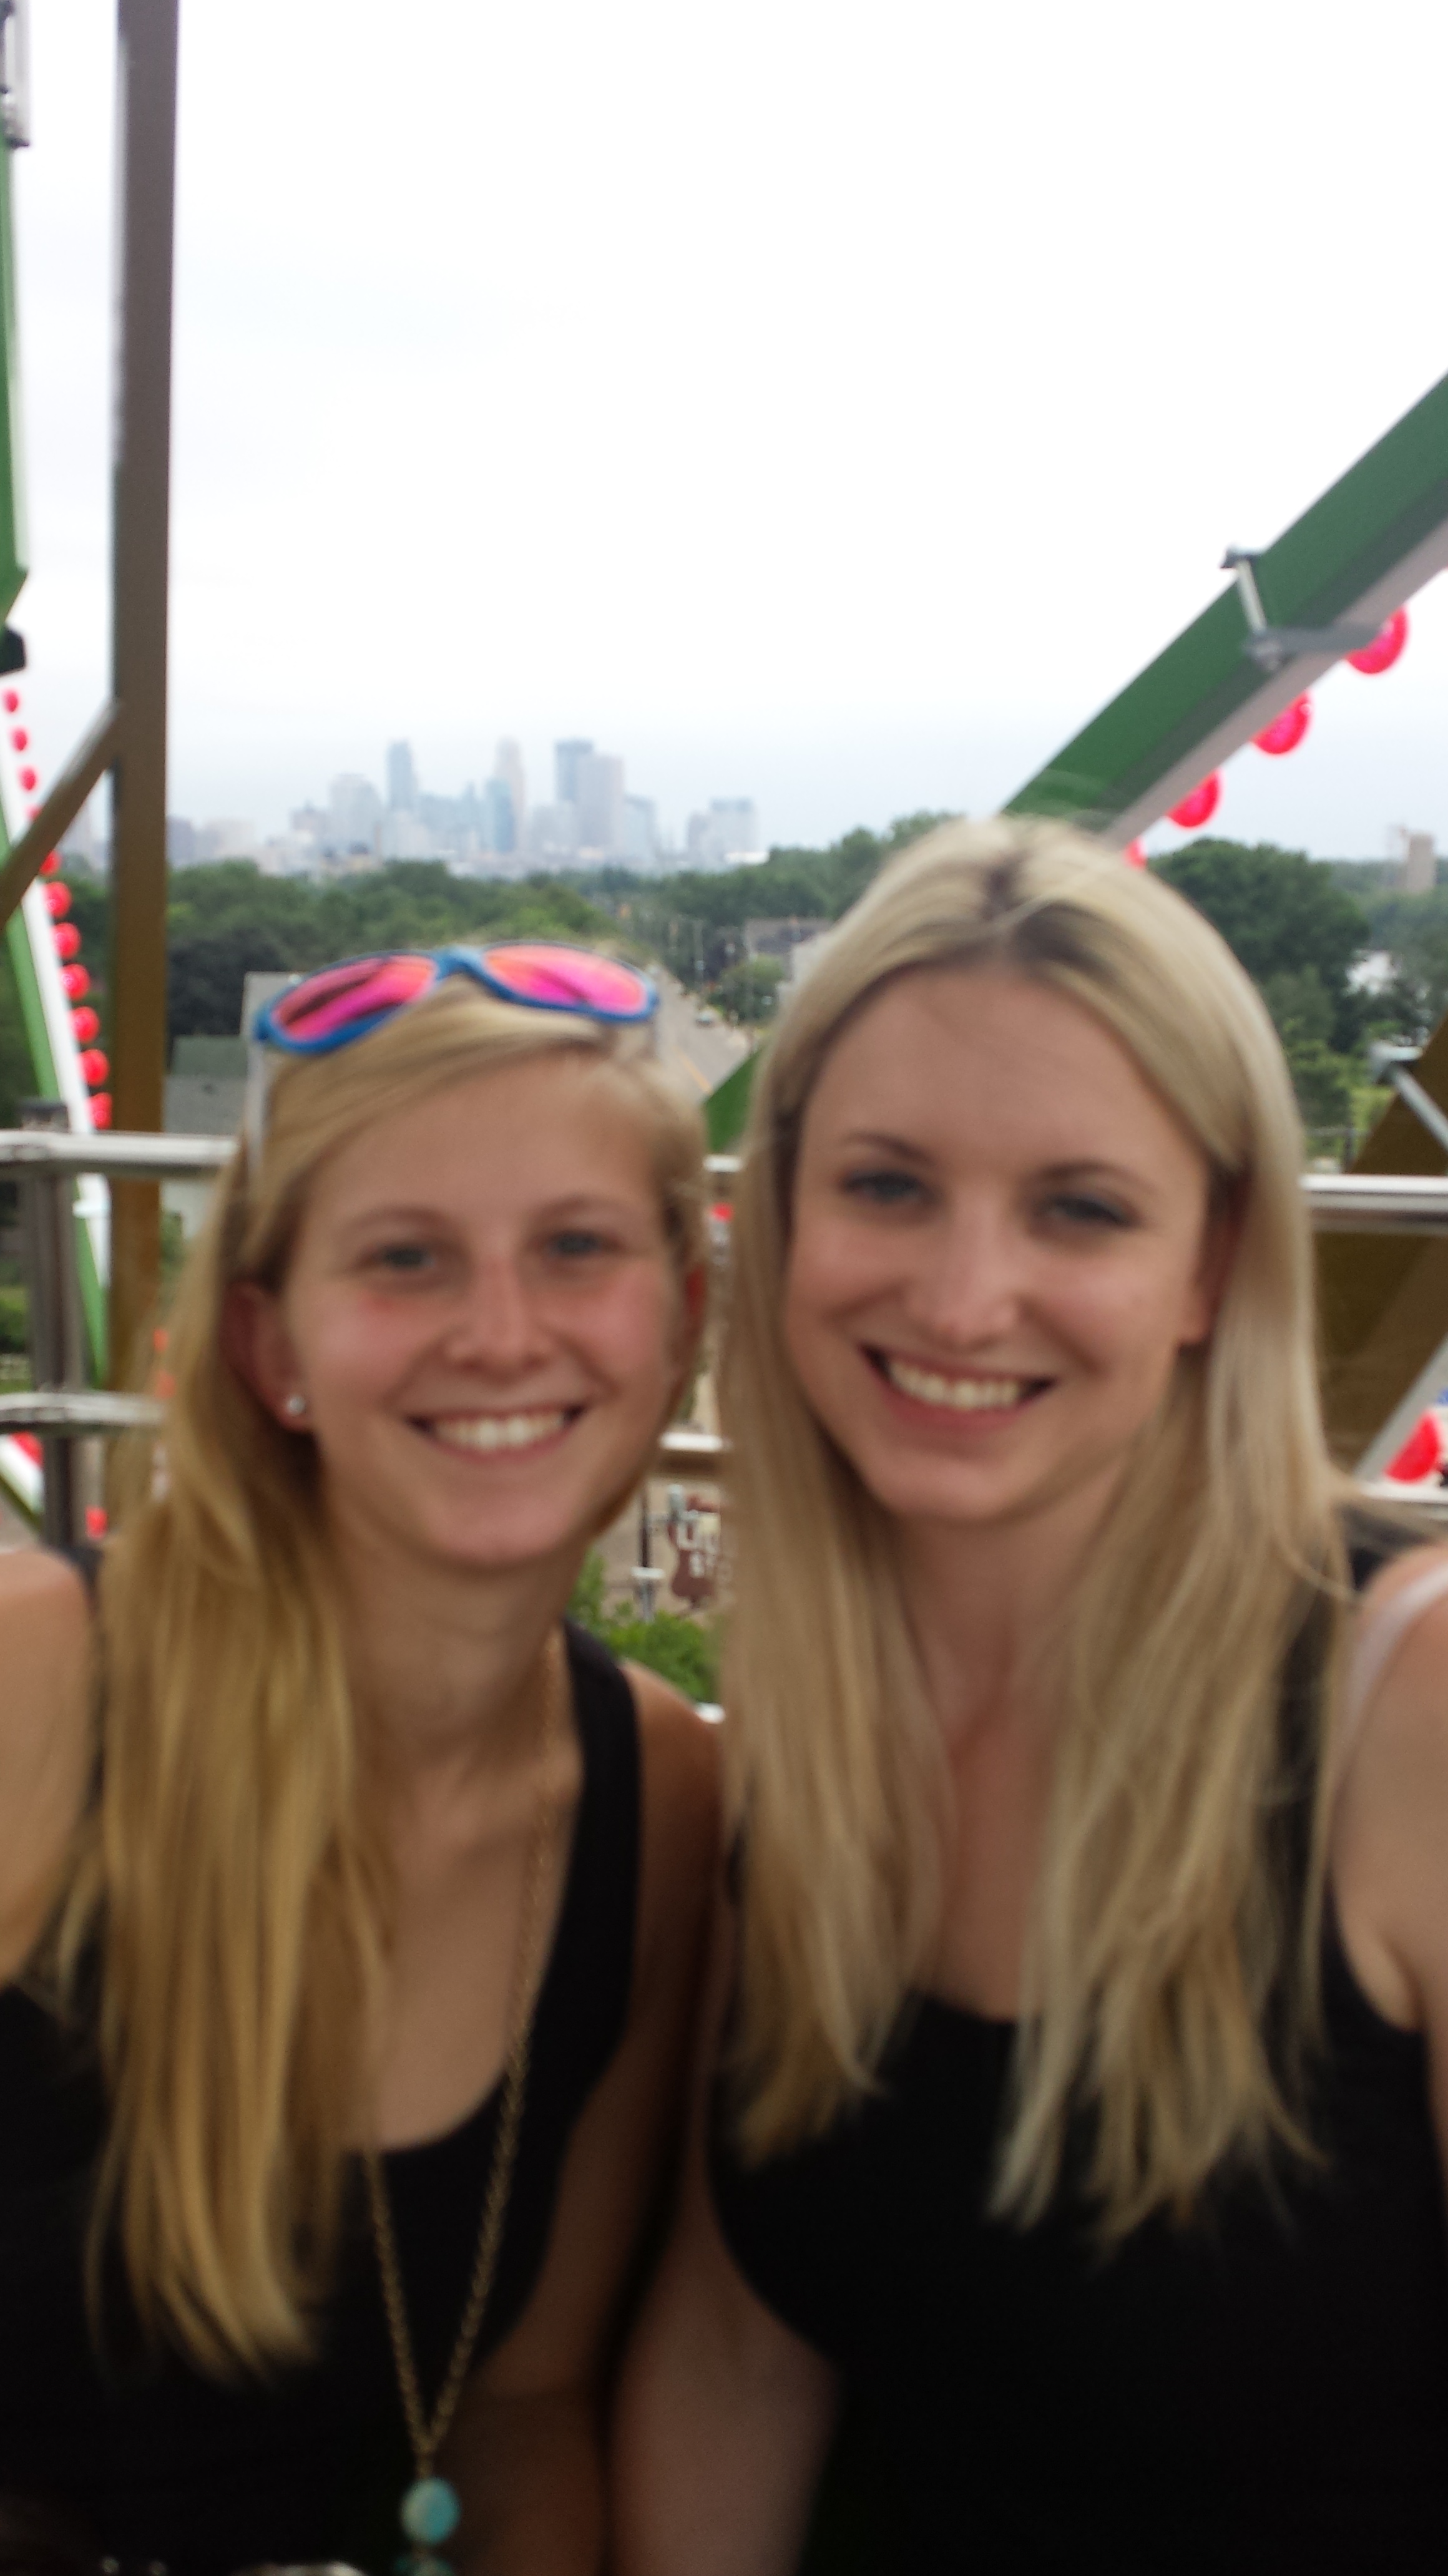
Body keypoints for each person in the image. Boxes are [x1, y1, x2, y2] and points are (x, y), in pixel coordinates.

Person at [614, 822, 1448, 2575]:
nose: (961, 1297)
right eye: (887, 1186)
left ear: (1212, 1264)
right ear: (783, 1215)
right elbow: (737, 2356)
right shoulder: (814, 1720)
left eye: (1080, 1207)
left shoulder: (1413, 1708)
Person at [0, 942, 718, 2576]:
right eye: (405, 1258)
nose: (501, 1334)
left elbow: (519, 2410)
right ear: (273, 1349)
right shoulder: (38, 1688)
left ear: (679, 1319)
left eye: (576, 1247)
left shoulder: (658, 1796)